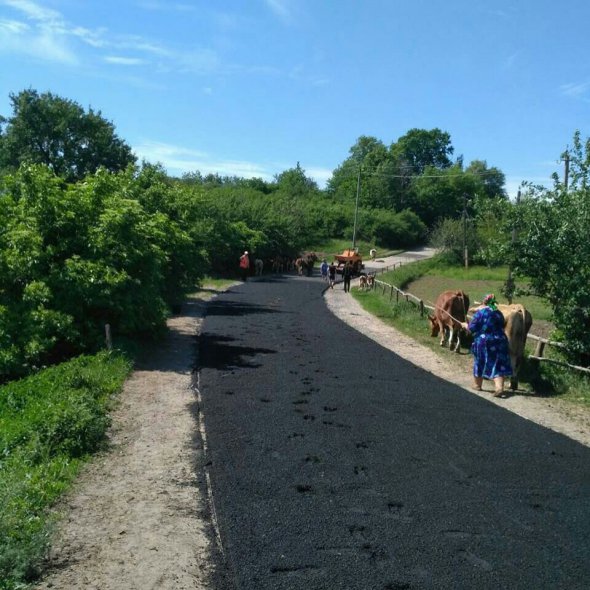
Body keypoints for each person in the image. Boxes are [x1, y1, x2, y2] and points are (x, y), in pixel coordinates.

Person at [461, 293, 512, 397]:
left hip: (485, 342)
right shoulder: (499, 313)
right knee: (498, 363)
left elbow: (471, 329)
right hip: (501, 340)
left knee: (479, 361)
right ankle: (499, 388)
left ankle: (477, 385)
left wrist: (465, 325)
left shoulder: (480, 313)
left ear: (483, 302)